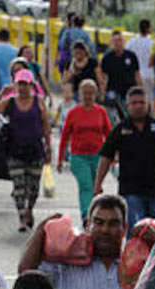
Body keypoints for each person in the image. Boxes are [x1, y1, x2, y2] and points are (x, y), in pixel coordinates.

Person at [19, 194, 130, 289]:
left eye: (113, 224)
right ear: (88, 225)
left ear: (124, 228)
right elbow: (26, 274)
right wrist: (42, 230)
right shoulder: (65, 260)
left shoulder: (138, 265)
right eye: (98, 222)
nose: (105, 230)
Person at [94, 87, 155, 230]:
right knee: (137, 229)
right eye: (134, 103)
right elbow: (106, 157)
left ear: (148, 105)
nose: (138, 106)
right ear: (127, 106)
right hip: (130, 191)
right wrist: (98, 183)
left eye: (142, 103)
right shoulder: (120, 129)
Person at [0, 71, 50, 232]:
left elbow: (46, 125)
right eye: (19, 84)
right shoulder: (10, 102)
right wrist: (2, 92)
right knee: (19, 186)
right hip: (15, 151)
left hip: (35, 150)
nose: (22, 88)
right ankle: (21, 217)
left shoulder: (38, 102)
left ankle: (29, 210)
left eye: (25, 84)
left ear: (31, 85)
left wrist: (49, 148)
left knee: (33, 188)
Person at [58, 80, 112, 222]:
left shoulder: (101, 111)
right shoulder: (73, 113)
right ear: (80, 95)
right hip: (78, 157)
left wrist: (114, 155)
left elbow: (109, 134)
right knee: (87, 186)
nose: (88, 96)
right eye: (85, 93)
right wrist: (59, 158)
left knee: (97, 188)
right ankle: (86, 215)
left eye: (91, 93)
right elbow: (64, 136)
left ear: (96, 94)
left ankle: (97, 215)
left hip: (98, 157)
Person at [99, 32, 141, 106]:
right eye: (115, 41)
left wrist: (140, 89)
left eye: (120, 40)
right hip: (113, 90)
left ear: (123, 41)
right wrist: (102, 94)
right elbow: (104, 77)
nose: (118, 43)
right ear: (111, 43)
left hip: (129, 89)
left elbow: (137, 74)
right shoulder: (107, 58)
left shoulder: (131, 56)